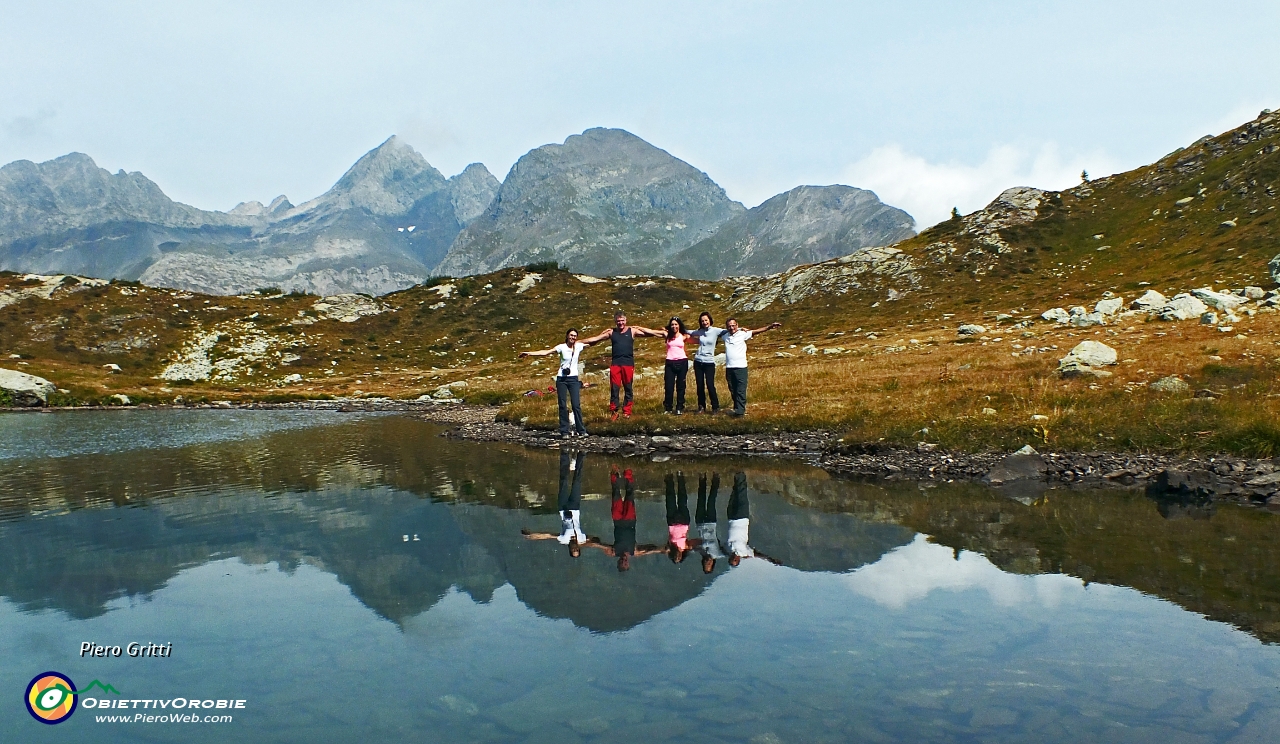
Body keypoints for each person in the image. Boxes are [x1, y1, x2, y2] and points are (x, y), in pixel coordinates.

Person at [581, 312, 662, 420]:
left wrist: (663, 333)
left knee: (628, 387)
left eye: (622, 320)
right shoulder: (611, 332)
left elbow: (650, 334)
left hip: (628, 364)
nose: (620, 323)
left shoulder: (632, 331)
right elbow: (596, 339)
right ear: (615, 322)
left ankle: (627, 411)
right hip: (615, 364)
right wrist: (578, 342)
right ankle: (614, 411)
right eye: (618, 321)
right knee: (614, 388)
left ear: (626, 320)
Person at [582, 464, 663, 571]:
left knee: (616, 495)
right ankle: (627, 471)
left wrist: (587, 544)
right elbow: (651, 549)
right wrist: (661, 550)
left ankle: (614, 472)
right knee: (630, 495)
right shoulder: (634, 551)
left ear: (618, 562)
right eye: (625, 563)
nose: (623, 561)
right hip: (630, 520)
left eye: (621, 562)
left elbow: (597, 544)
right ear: (628, 563)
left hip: (618, 520)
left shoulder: (614, 551)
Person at [519, 328, 596, 438]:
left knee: (576, 405)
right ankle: (564, 431)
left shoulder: (579, 346)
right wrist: (529, 353)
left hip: (573, 379)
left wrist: (608, 334)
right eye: (571, 335)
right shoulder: (561, 347)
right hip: (561, 380)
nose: (573, 337)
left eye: (575, 336)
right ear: (567, 336)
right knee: (562, 405)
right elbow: (546, 352)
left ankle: (581, 431)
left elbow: (593, 341)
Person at [521, 449, 587, 557]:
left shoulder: (563, 539)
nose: (574, 548)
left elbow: (548, 535)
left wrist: (533, 535)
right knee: (577, 482)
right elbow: (594, 542)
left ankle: (565, 454)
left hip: (563, 508)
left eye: (573, 550)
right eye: (577, 550)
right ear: (579, 548)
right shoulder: (582, 539)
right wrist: (605, 547)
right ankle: (581, 455)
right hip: (575, 508)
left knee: (563, 481)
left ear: (569, 549)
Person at [722, 318, 782, 417]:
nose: (731, 327)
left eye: (733, 325)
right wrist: (740, 328)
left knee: (740, 390)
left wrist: (770, 327)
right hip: (729, 368)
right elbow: (715, 331)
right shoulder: (725, 335)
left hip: (741, 367)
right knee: (733, 389)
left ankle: (740, 412)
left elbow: (756, 331)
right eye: (729, 326)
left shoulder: (743, 334)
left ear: (737, 325)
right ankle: (737, 408)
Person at [722, 472, 780, 567]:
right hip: (742, 518)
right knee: (741, 494)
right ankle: (740, 473)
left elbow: (717, 549)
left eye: (731, 559)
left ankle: (735, 474)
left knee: (734, 494)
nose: (733, 558)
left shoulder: (727, 550)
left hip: (731, 518)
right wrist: (771, 560)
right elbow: (757, 554)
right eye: (734, 560)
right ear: (738, 559)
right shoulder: (744, 552)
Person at [688, 312, 725, 414]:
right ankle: (701, 407)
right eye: (702, 321)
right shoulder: (699, 332)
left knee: (710, 384)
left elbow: (730, 330)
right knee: (700, 385)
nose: (704, 322)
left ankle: (715, 407)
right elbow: (688, 331)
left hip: (709, 362)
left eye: (706, 320)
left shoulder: (716, 331)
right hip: (698, 361)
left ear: (710, 320)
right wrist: (671, 329)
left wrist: (742, 330)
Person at [691, 473, 724, 574]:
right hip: (711, 523)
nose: (707, 563)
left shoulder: (701, 552)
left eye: (705, 565)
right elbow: (732, 553)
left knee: (701, 500)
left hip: (700, 523)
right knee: (711, 500)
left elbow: (691, 548)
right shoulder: (719, 554)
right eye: (709, 565)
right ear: (713, 563)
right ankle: (716, 479)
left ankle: (702, 478)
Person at [662, 317, 693, 415]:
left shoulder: (684, 336)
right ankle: (668, 408)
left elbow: (697, 338)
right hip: (670, 363)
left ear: (679, 325)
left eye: (676, 324)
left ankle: (679, 407)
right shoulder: (666, 335)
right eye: (672, 324)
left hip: (682, 362)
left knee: (681, 386)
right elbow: (651, 332)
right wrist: (636, 328)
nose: (674, 326)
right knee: (668, 386)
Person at [664, 471, 692, 563]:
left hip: (672, 522)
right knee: (682, 500)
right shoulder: (686, 548)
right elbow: (695, 543)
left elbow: (660, 549)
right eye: (679, 558)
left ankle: (669, 478)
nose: (677, 556)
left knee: (670, 499)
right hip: (684, 522)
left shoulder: (670, 547)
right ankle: (680, 477)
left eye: (675, 558)